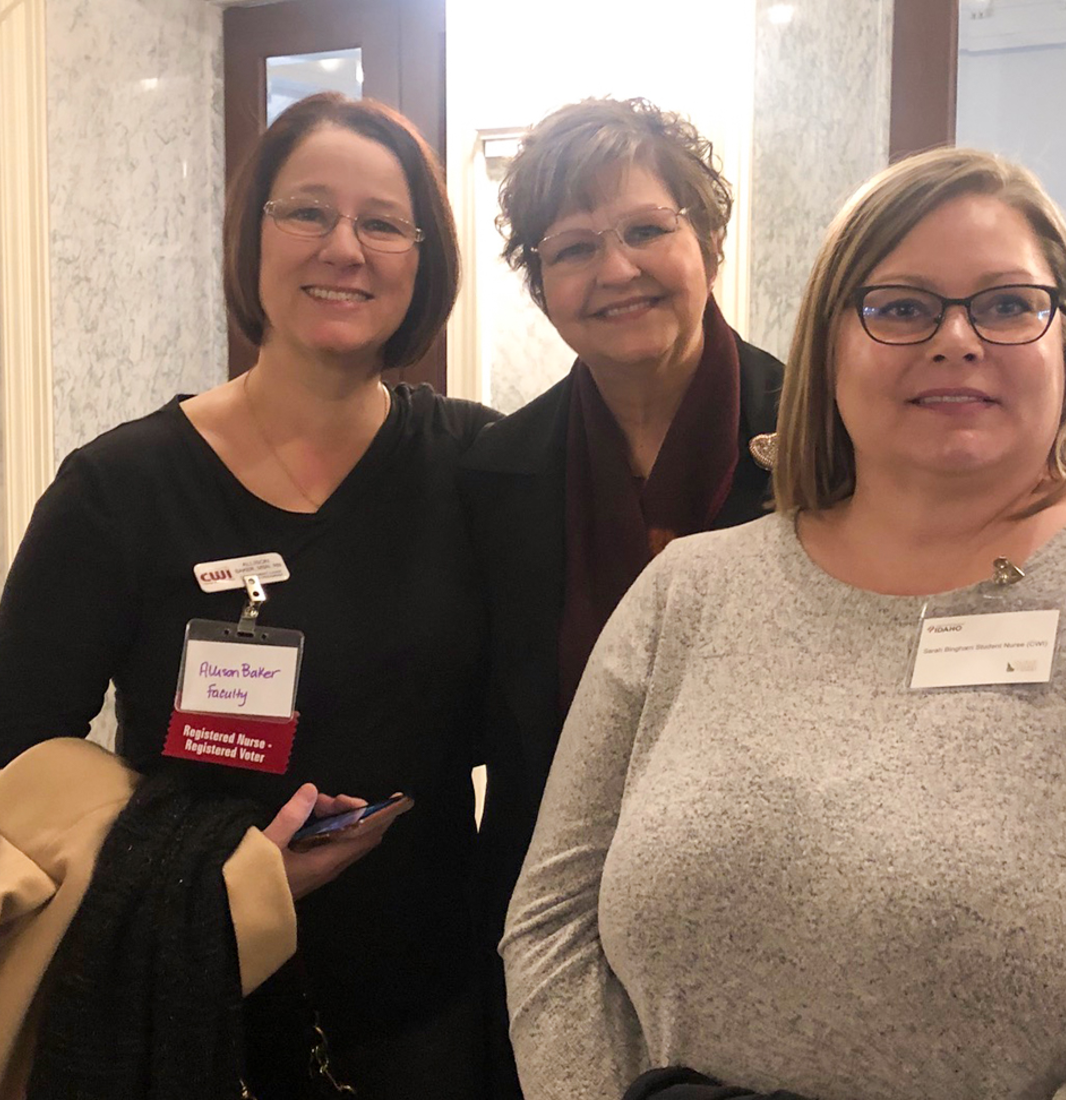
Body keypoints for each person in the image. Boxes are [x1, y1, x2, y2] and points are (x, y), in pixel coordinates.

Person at [501, 145, 1066, 1100]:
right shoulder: (693, 587)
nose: (958, 339)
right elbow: (552, 920)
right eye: (901, 306)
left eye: (1009, 303)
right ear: (828, 343)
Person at [0, 92, 495, 1099]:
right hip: (182, 1003)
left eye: (382, 222)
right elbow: (5, 758)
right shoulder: (118, 488)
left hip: (425, 1009)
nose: (345, 246)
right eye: (306, 211)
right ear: (248, 239)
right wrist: (218, 870)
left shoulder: (476, 465)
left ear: (423, 261)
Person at [458, 97, 782, 1094]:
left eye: (646, 229)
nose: (614, 270)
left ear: (711, 240)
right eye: (572, 247)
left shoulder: (830, 438)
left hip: (778, 923)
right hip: (553, 943)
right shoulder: (496, 472)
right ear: (539, 283)